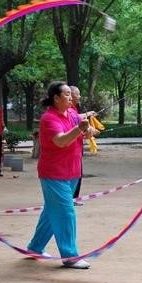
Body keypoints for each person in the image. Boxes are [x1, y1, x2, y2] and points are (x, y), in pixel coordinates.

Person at [27, 81, 93, 269]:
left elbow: (81, 134)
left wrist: (87, 131)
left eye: (70, 94)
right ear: (55, 98)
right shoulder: (49, 119)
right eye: (66, 94)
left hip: (72, 172)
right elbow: (61, 141)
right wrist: (79, 129)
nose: (71, 97)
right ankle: (70, 256)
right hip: (54, 174)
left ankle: (35, 248)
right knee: (66, 212)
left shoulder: (72, 114)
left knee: (51, 212)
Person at [69, 86, 98, 206]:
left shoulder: (73, 109)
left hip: (77, 147)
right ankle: (71, 199)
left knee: (77, 173)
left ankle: (73, 198)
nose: (79, 96)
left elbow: (77, 120)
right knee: (74, 174)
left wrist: (88, 130)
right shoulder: (68, 109)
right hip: (71, 149)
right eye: (78, 94)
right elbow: (75, 121)